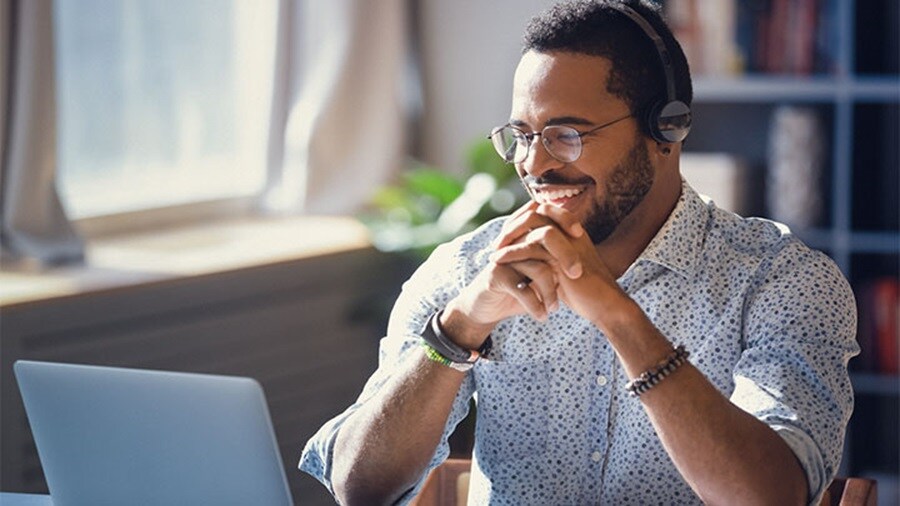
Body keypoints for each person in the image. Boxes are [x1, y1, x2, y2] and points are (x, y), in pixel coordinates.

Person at [300, 1, 859, 504]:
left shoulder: (782, 281)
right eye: (522, 135)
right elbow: (358, 488)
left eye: (566, 134)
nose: (534, 164)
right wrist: (459, 328)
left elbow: (771, 497)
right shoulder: (467, 270)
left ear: (667, 129)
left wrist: (618, 316)